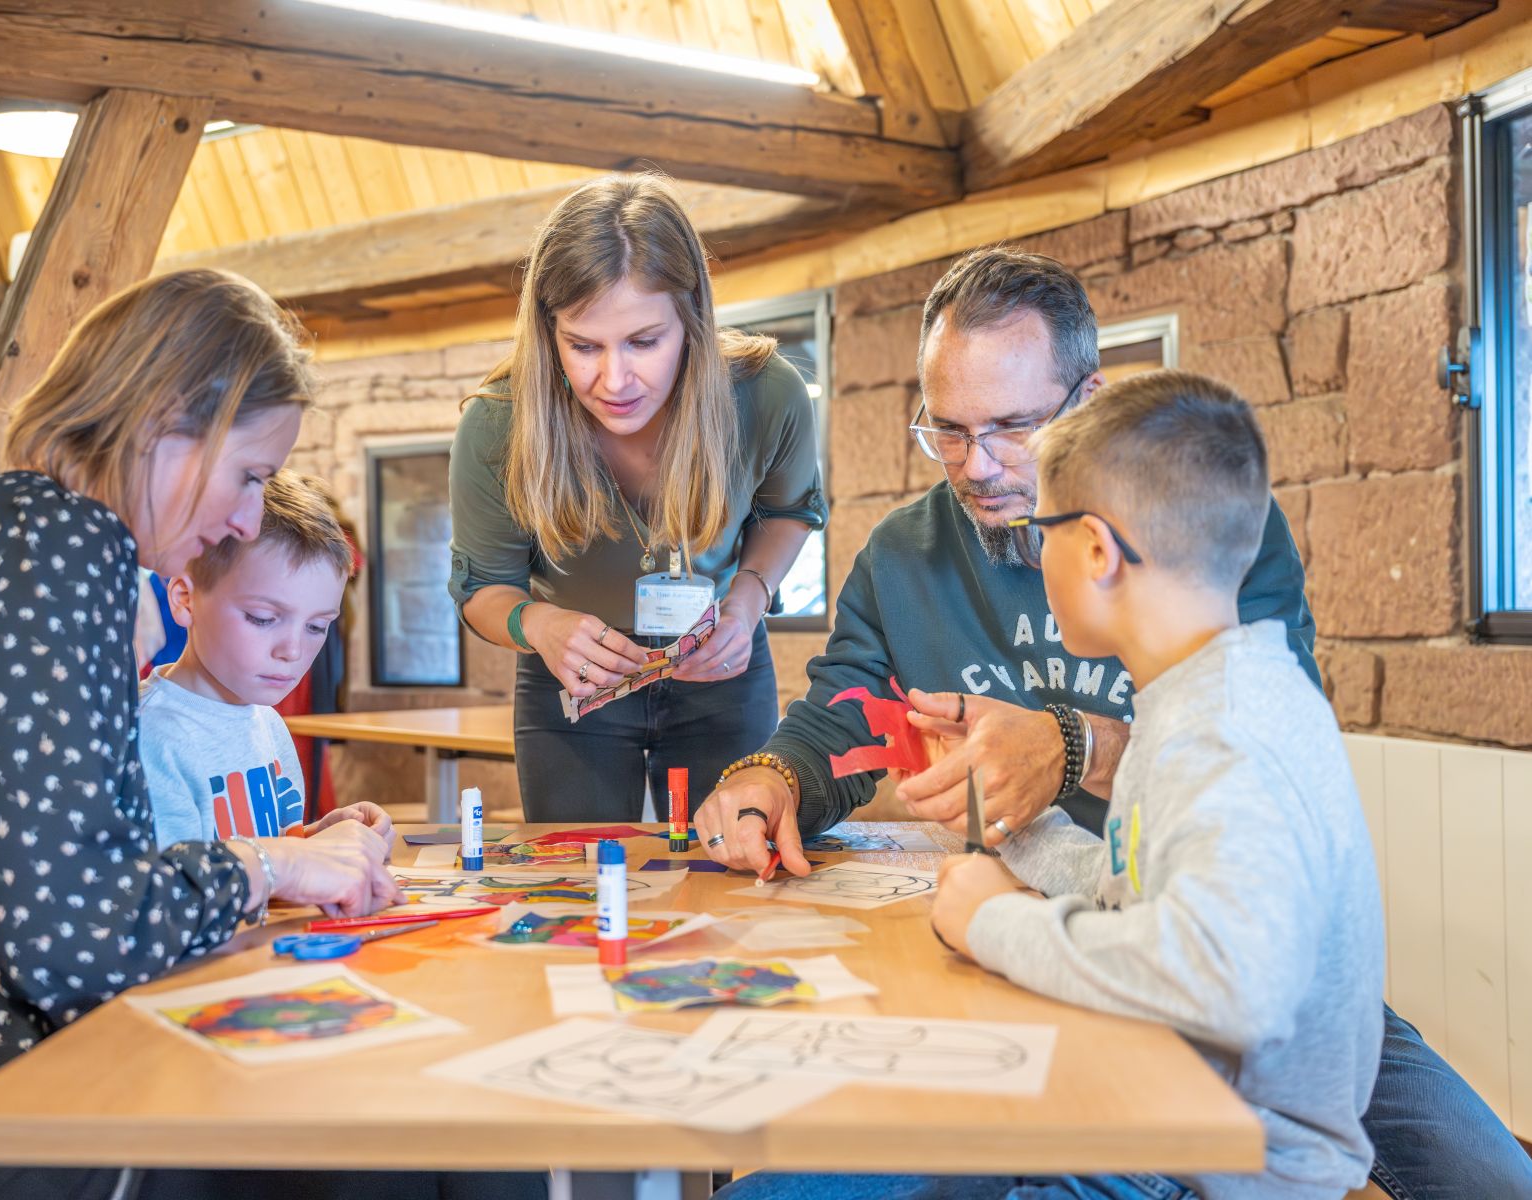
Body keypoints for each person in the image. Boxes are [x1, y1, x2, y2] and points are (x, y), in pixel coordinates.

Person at [696, 246, 1532, 1199]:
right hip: (1068, 936)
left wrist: (1071, 746)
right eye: (948, 430)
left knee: (1488, 1179)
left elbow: (1256, 767)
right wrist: (773, 777)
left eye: (1014, 427)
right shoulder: (903, 553)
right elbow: (841, 716)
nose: (979, 466)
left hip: (1205, 972)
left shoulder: (1204, 535)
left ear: (1087, 400)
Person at [0, 269, 531, 1200]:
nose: (244, 517)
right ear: (165, 422)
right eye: (248, 475)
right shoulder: (56, 552)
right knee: (402, 1134)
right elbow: (75, 938)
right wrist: (272, 867)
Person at [726, 371, 1388, 1200]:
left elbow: (1230, 984)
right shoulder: (1209, 694)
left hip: (1196, 1162)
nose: (1030, 556)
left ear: (1099, 553)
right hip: (1159, 1111)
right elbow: (1138, 892)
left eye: (1044, 534)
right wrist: (1009, 833)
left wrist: (994, 920)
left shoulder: (1219, 734)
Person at [448, 173, 826, 821]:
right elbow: (483, 589)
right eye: (582, 346)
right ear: (547, 333)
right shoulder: (498, 423)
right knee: (580, 880)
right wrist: (537, 624)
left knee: (736, 875)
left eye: (645, 342)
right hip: (573, 675)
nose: (614, 380)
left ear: (693, 322)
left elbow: (790, 514)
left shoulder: (766, 394)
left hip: (719, 663)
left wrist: (747, 598)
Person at [141, 468, 390, 847]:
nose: (292, 651)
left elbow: (271, 850)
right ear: (185, 599)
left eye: (316, 627)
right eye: (263, 618)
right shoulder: (151, 735)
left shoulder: (267, 723)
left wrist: (319, 838)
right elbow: (176, 885)